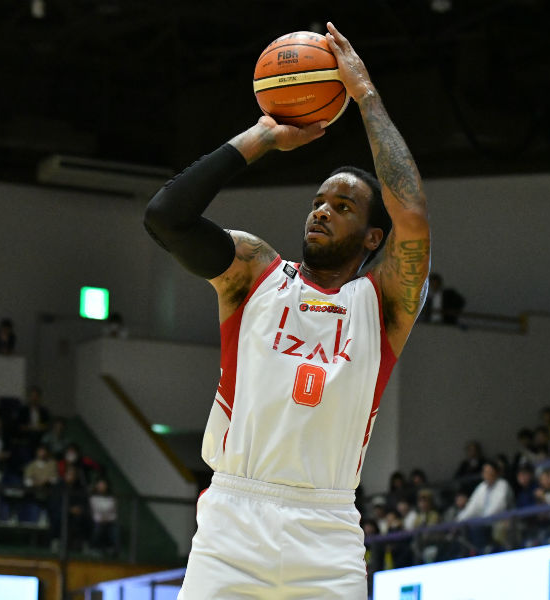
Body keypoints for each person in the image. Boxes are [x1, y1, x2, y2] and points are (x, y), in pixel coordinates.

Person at [143, 23, 430, 598]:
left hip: (328, 530)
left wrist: (365, 95)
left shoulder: (383, 303)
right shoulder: (254, 271)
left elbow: (413, 214)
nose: (321, 212)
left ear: (373, 237)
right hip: (233, 522)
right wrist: (262, 138)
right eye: (318, 201)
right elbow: (166, 218)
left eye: (342, 206)